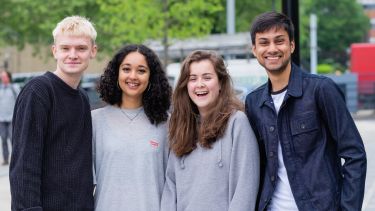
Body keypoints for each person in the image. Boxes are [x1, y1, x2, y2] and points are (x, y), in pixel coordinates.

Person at [245, 11, 367, 211]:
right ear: (254, 49)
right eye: (264, 42)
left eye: (279, 41)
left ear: (291, 45)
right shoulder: (254, 102)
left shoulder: (321, 90)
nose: (272, 48)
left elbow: (355, 155)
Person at [10, 16, 98, 210]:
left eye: (81, 48)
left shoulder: (82, 99)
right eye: (66, 48)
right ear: (54, 51)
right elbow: (24, 164)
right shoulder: (38, 92)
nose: (73, 55)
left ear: (93, 51)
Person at [161, 50, 260, 211]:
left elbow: (245, 189)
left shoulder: (237, 123)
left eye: (207, 77)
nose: (199, 84)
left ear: (220, 83)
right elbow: (170, 187)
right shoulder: (180, 126)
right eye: (193, 79)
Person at [92, 44, 171, 211]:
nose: (133, 76)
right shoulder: (95, 121)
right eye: (126, 69)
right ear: (117, 73)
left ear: (151, 77)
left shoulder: (166, 123)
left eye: (141, 70)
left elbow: (173, 183)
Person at [0, 70, 20, 165]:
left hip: (12, 119)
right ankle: (5, 159)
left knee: (13, 139)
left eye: (4, 76)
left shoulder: (14, 88)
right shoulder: (0, 89)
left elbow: (20, 101)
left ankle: (16, 158)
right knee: (3, 139)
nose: (3, 78)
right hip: (1, 119)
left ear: (8, 77)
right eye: (1, 77)